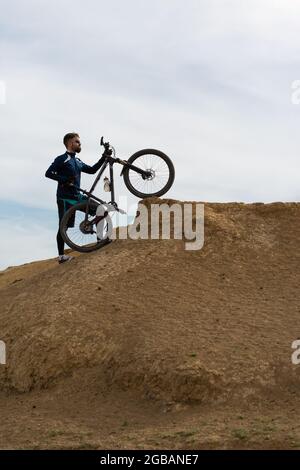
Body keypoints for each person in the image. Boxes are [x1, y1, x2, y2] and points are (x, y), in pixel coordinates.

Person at [45, 132, 106, 264]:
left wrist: (103, 157)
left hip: (77, 196)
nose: (80, 144)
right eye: (77, 142)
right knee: (63, 227)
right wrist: (64, 179)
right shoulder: (62, 159)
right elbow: (48, 173)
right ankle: (61, 256)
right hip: (64, 198)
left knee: (100, 209)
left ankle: (101, 240)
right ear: (70, 143)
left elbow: (92, 170)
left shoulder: (77, 161)